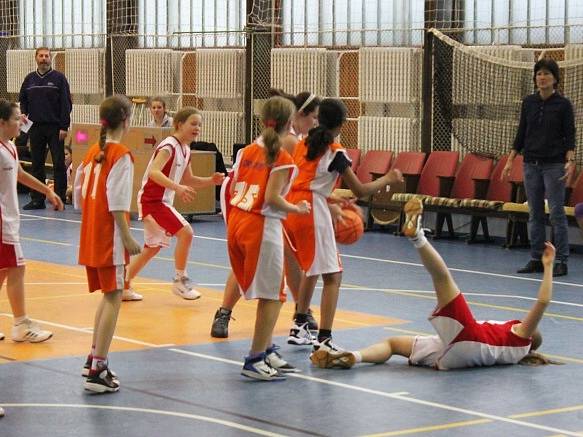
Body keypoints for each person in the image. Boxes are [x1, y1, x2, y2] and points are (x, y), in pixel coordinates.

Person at [312, 198, 558, 371]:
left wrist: (547, 266)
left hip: (468, 337)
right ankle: (352, 357)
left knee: (443, 278)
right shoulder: (514, 354)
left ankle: (417, 236)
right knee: (394, 344)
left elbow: (544, 301)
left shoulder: (521, 337)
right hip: (456, 359)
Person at [284, 98, 403, 354]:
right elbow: (360, 189)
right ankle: (324, 338)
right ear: (342, 123)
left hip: (294, 208)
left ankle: (299, 325)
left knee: (312, 269)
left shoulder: (303, 143)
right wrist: (388, 178)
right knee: (333, 276)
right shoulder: (335, 151)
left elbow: (307, 182)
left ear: (318, 119)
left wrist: (332, 200)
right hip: (311, 211)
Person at [210, 90, 322, 338]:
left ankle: (301, 311)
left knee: (286, 256)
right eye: (313, 117)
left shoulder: (264, 143)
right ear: (297, 116)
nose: (315, 123)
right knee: (259, 255)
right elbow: (288, 185)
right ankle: (227, 312)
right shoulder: (290, 143)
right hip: (252, 201)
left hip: (244, 195)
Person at [228, 96, 311, 380]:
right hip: (261, 225)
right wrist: (296, 208)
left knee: (272, 291)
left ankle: (267, 348)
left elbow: (233, 187)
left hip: (238, 220)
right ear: (290, 124)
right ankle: (255, 358)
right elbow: (273, 198)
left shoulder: (247, 150)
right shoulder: (283, 158)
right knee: (273, 296)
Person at [75, 95, 142, 393]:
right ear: (126, 120)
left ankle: (93, 357)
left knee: (108, 295)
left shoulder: (92, 151)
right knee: (114, 297)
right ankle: (98, 369)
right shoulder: (121, 155)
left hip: (91, 230)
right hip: (109, 235)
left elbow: (77, 193)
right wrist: (127, 235)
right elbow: (117, 200)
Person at [123, 107, 224, 302]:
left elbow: (189, 179)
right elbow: (153, 172)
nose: (198, 128)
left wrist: (211, 180)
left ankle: (123, 284)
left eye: (200, 125)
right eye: (193, 124)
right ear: (179, 124)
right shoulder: (169, 146)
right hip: (152, 201)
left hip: (161, 201)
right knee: (186, 232)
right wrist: (177, 188)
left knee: (151, 248)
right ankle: (180, 280)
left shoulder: (186, 150)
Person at [502, 58, 575, 277]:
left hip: (554, 165)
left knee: (556, 213)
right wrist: (510, 159)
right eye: (539, 74)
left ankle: (561, 259)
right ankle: (536, 257)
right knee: (534, 213)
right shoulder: (529, 102)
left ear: (555, 79)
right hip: (530, 164)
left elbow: (570, 136)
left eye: (546, 74)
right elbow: (521, 133)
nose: (541, 78)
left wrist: (570, 162)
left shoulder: (563, 105)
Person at [0, 99, 61, 344]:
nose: (21, 122)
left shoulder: (10, 147)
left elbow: (21, 175)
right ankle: (21, 324)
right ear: (2, 122)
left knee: (4, 271)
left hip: (10, 218)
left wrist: (47, 191)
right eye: (16, 119)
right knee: (17, 268)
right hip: (2, 221)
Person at [19, 47, 72, 209]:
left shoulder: (59, 79)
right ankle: (37, 199)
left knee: (58, 163)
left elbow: (66, 104)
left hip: (55, 127)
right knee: (37, 163)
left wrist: (64, 126)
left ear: (51, 59)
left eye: (46, 56)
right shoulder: (29, 79)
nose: (44, 59)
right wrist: (24, 117)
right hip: (35, 128)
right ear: (36, 58)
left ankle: (60, 198)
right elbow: (23, 101)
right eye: (41, 56)